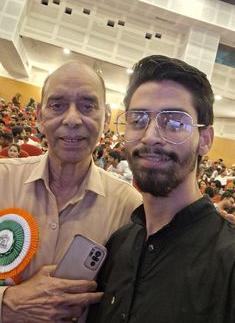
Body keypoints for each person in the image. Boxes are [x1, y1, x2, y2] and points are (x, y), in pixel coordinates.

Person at [87, 55, 235, 323]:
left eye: (175, 122)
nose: (151, 136)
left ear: (205, 140)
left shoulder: (229, 260)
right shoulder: (118, 244)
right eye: (138, 119)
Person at [0, 61, 142, 323]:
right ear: (40, 116)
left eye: (87, 106)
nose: (73, 119)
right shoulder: (2, 178)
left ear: (106, 117)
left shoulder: (129, 207)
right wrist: (5, 302)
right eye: (57, 105)